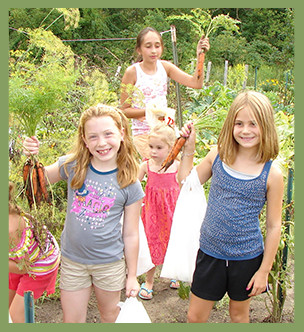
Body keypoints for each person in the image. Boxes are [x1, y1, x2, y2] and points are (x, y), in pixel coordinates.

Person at [23, 105, 145, 323]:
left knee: (110, 316)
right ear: (85, 140)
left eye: (108, 134)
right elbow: (38, 181)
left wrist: (133, 276)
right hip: (73, 261)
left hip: (109, 263)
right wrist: (32, 157)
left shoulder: (129, 181)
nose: (101, 143)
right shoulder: (73, 165)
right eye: (93, 136)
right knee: (72, 320)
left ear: (122, 133)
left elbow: (131, 234)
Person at [178, 91, 284, 323]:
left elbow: (274, 225)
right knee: (195, 317)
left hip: (246, 257)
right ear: (230, 125)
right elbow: (186, 183)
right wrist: (189, 148)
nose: (245, 130)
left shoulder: (272, 175)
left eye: (253, 124)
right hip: (210, 252)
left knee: (238, 315)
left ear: (266, 126)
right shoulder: (218, 156)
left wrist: (264, 270)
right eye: (239, 123)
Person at [120, 26, 210, 159]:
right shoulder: (132, 72)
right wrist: (150, 112)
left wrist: (200, 55)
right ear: (139, 49)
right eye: (148, 46)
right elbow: (124, 110)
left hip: (167, 131)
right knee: (155, 171)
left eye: (157, 46)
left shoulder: (165, 67)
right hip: (145, 136)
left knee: (174, 172)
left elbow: (196, 83)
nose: (153, 51)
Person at [137, 123, 180, 299]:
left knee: (172, 241)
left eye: (159, 148)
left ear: (171, 147)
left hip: (172, 212)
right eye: (151, 147)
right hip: (152, 213)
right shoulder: (146, 166)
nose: (153, 151)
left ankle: (174, 273)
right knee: (152, 243)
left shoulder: (177, 166)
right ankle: (149, 281)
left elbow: (187, 185)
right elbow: (134, 185)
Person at [9, 182, 60, 323]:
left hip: (39, 265)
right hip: (18, 259)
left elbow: (23, 268)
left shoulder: (10, 229)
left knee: (16, 315)